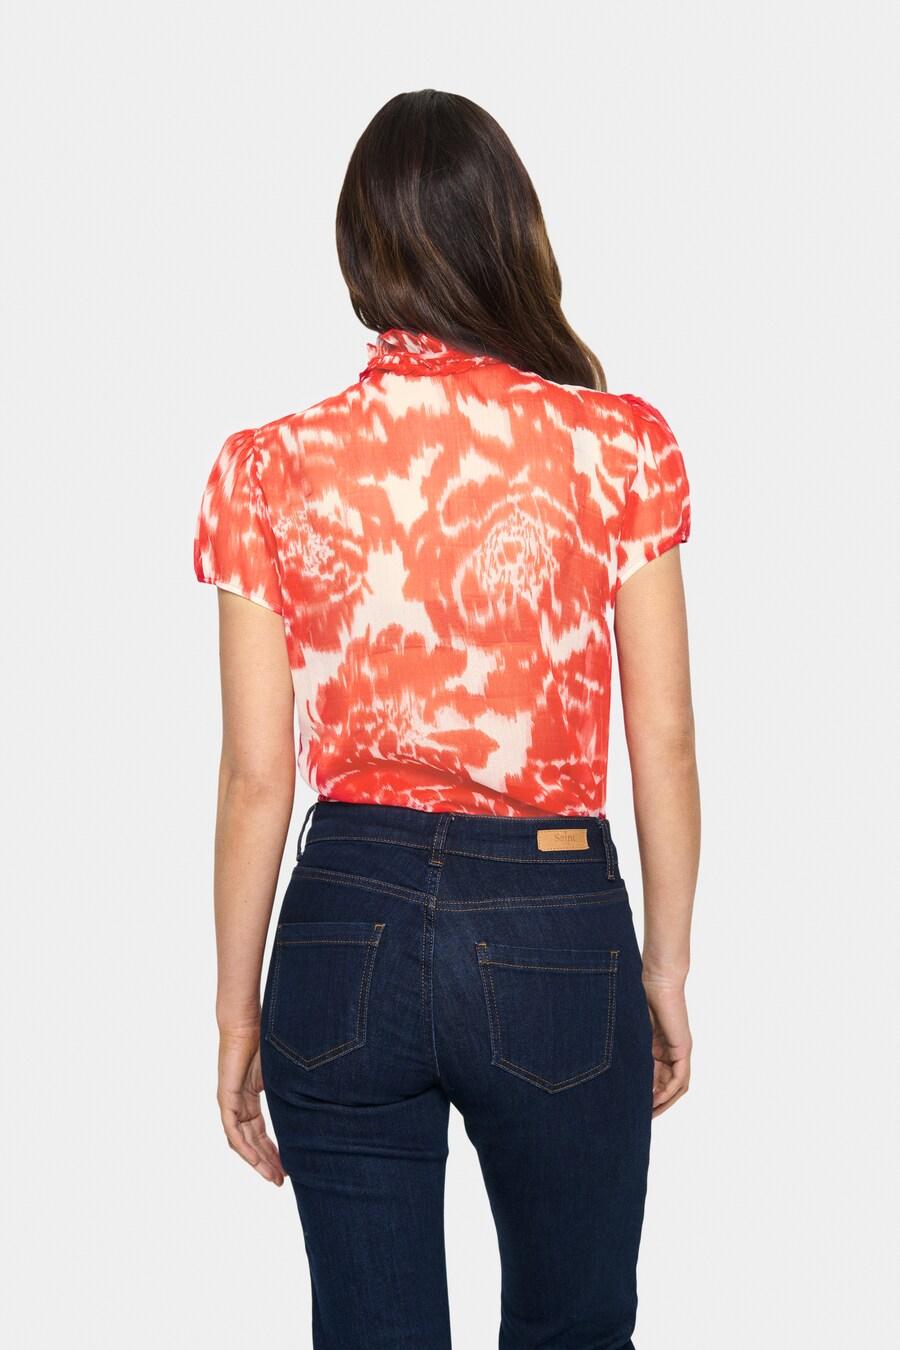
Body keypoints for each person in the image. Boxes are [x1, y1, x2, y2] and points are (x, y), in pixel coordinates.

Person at [193, 88, 700, 1350]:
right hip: (556, 924)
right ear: (509, 232)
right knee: (576, 1330)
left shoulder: (268, 466)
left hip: (341, 929)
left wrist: (238, 1009)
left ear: (359, 248)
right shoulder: (619, 448)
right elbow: (665, 739)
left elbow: (257, 777)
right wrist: (665, 968)